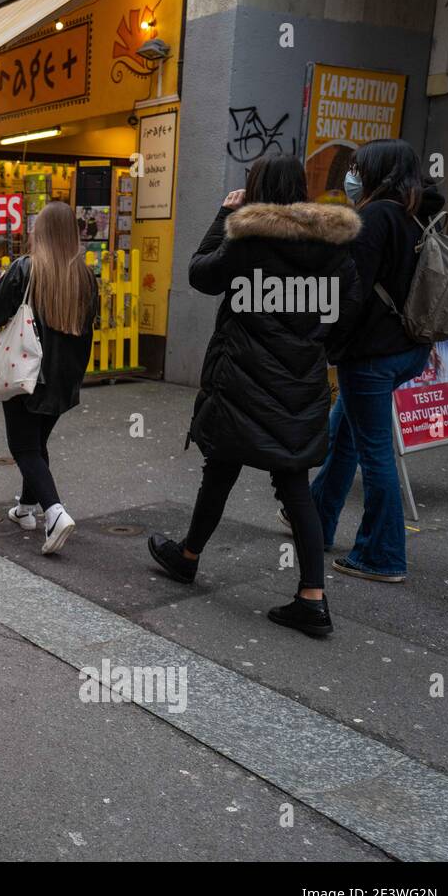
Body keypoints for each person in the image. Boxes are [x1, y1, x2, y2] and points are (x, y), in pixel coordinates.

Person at [147, 155, 361, 637]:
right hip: (298, 383)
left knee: (220, 468)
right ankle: (311, 596)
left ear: (255, 189)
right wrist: (309, 338)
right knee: (293, 482)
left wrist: (225, 215)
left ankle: (188, 556)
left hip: (242, 377)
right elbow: (348, 308)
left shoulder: (251, 238)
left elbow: (201, 274)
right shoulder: (332, 245)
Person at [308, 140, 443, 583]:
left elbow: (353, 293)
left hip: (372, 354)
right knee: (345, 432)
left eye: (358, 168)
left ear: (377, 172)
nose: (353, 176)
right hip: (409, 347)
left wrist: (328, 344)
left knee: (374, 452)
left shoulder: (376, 217)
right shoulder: (418, 212)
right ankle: (315, 519)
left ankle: (381, 555)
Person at [0, 201, 100, 555]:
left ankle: (55, 512)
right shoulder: (85, 276)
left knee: (23, 447)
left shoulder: (25, 269)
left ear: (41, 232)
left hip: (27, 371)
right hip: (65, 379)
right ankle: (25, 509)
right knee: (36, 442)